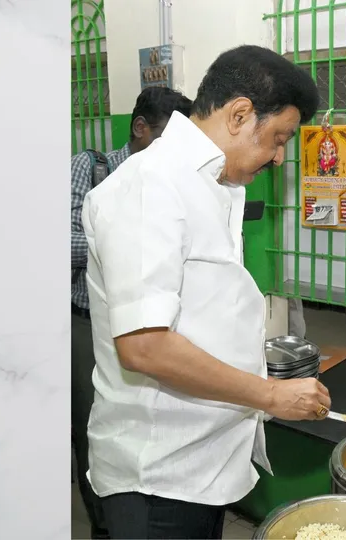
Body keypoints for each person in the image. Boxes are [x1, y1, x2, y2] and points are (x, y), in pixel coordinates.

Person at [81, 45, 331, 539]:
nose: (280, 157)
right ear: (239, 114)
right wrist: (268, 395)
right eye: (278, 138)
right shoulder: (150, 188)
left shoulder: (210, 186)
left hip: (200, 460)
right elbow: (145, 345)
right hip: (158, 475)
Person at [70, 86, 193, 540]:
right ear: (140, 128)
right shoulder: (93, 168)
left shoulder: (170, 180)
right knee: (94, 426)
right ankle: (104, 522)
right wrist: (116, 237)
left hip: (148, 325)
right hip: (88, 323)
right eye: (166, 138)